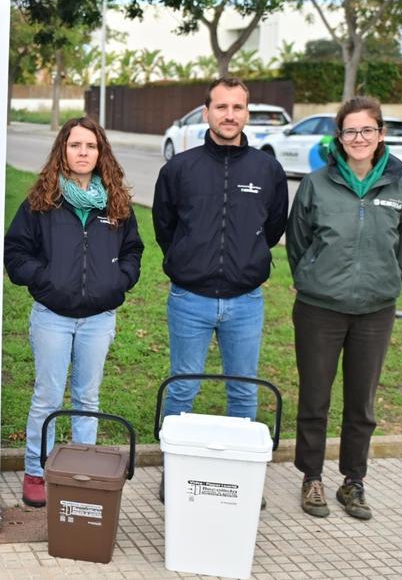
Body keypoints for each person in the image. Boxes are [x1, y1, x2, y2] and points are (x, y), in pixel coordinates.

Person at [152, 77, 288, 502]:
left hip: (245, 302)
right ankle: (174, 472)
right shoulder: (179, 169)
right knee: (182, 389)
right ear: (206, 111)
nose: (230, 115)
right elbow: (164, 226)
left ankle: (239, 476)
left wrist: (242, 262)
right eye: (221, 107)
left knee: (244, 389)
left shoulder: (267, 169)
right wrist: (192, 259)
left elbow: (273, 228)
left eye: (238, 107)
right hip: (189, 300)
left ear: (247, 113)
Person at [287, 96, 402, 520]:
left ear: (380, 134)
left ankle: (353, 481)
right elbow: (298, 242)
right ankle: (312, 478)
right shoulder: (317, 184)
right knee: (315, 399)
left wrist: (384, 282)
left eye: (367, 130)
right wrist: (312, 278)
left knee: (362, 403)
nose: (358, 138)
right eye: (350, 131)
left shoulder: (400, 186)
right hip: (319, 309)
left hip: (375, 312)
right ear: (338, 137)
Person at [4, 117, 144, 508]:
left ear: (101, 153)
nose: (83, 153)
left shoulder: (116, 203)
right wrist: (45, 279)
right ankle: (36, 470)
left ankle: (84, 471)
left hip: (99, 318)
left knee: (87, 397)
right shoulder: (41, 202)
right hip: (52, 315)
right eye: (75, 145)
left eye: (91, 146)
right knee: (47, 397)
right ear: (62, 151)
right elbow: (15, 251)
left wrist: (120, 280)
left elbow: (134, 250)